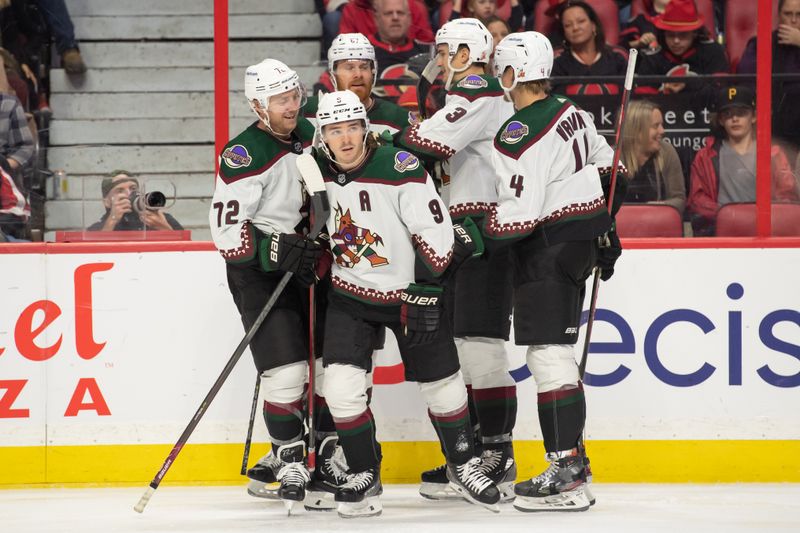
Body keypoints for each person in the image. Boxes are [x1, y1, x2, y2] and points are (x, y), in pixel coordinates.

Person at [313, 89, 501, 517]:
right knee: (340, 388)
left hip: (407, 293)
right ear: (322, 135)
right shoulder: (313, 167)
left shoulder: (400, 166)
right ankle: (364, 471)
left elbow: (435, 232)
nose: (345, 138)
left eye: (353, 127)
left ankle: (463, 463)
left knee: (443, 384)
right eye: (335, 130)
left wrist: (429, 285)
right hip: (351, 293)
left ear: (366, 127)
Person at [484, 31, 624, 512]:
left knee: (548, 355)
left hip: (546, 247)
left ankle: (565, 469)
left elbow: (519, 215)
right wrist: (605, 229)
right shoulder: (576, 112)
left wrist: (471, 237)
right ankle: (573, 464)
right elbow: (612, 172)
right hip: (580, 243)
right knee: (557, 353)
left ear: (511, 74)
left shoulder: (516, 133)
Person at [393, 18, 518, 502]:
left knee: (481, 346)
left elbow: (430, 143)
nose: (438, 62)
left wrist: (388, 142)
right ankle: (473, 457)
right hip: (461, 232)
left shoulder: (479, 87)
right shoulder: (465, 93)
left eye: (445, 52)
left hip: (484, 230)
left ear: (467, 53)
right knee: (465, 347)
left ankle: (498, 456)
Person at [208, 59, 334, 512]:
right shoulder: (242, 153)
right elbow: (227, 233)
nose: (292, 106)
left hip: (309, 265)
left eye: (294, 96)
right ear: (259, 105)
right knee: (284, 371)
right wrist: (272, 251)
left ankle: (327, 449)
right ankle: (289, 457)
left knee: (327, 365)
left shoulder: (309, 132)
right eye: (281, 100)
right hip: (260, 273)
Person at [688, 86, 800, 235]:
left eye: (741, 113)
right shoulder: (705, 156)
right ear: (721, 120)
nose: (735, 119)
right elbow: (697, 200)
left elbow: (787, 195)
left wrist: (767, 214)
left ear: (753, 117)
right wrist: (727, 214)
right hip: (722, 231)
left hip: (765, 230)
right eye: (728, 114)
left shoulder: (773, 154)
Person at [305, 33, 418, 135]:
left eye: (364, 67)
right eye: (349, 68)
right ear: (333, 74)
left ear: (373, 72)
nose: (358, 74)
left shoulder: (399, 118)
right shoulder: (308, 112)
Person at [738, 0, 800, 146]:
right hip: (772, 125)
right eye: (787, 14)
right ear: (778, 16)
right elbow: (747, 81)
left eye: (799, 15)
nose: (793, 20)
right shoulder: (761, 43)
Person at [636, 0, 728, 95]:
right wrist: (664, 93)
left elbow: (722, 92)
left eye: (683, 34)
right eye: (670, 35)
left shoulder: (713, 52)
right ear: (663, 34)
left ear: (694, 33)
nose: (676, 41)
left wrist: (691, 84)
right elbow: (641, 102)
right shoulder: (652, 58)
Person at [619, 99, 686, 214]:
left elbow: (679, 200)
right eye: (656, 126)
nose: (662, 131)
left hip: (657, 224)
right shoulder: (611, 158)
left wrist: (661, 207)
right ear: (637, 130)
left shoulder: (667, 152)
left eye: (662, 125)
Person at [550, 0, 629, 95]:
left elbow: (628, 99)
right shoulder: (558, 65)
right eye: (568, 25)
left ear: (593, 25)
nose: (575, 28)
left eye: (581, 21)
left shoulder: (617, 60)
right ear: (564, 32)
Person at [87, 171, 183, 232]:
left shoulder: (162, 219)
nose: (129, 194)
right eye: (120, 191)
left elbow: (188, 253)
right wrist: (112, 221)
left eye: (133, 189)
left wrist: (164, 227)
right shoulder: (97, 228)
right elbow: (93, 254)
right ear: (107, 202)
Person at [339, 0, 434, 45]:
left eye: (400, 13)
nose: (395, 17)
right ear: (376, 17)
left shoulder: (414, 7)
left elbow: (427, 48)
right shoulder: (351, 10)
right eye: (388, 13)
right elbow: (345, 49)